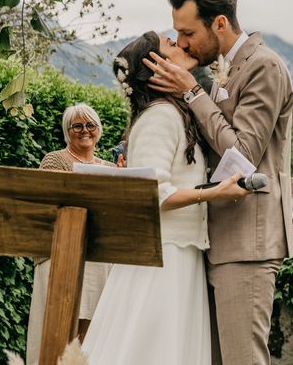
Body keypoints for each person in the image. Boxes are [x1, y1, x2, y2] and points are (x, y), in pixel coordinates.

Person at [143, 0, 293, 365]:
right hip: (213, 239)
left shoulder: (264, 66)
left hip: (247, 241)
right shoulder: (224, 70)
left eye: (188, 32)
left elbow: (243, 154)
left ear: (220, 23)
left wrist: (192, 92)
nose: (184, 42)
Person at [82, 31, 250, 365]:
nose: (179, 43)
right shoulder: (160, 116)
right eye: (170, 44)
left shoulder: (175, 113)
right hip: (163, 257)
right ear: (155, 67)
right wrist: (216, 192)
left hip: (179, 251)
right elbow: (153, 192)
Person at [26, 103, 117, 365]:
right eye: (77, 126)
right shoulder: (55, 159)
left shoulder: (111, 167)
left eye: (90, 125)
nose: (84, 131)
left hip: (99, 257)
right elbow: (52, 200)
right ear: (68, 131)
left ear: (98, 129)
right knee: (61, 326)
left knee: (93, 327)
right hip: (63, 253)